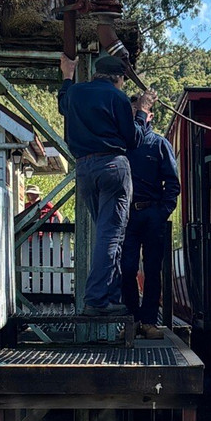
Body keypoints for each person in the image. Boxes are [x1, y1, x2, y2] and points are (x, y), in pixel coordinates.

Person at [58, 52, 156, 317]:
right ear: (119, 78)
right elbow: (134, 139)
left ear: (95, 73)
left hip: (84, 168)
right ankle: (97, 299)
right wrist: (143, 112)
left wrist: (67, 75)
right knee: (111, 235)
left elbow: (62, 104)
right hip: (112, 165)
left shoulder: (76, 93)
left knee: (107, 234)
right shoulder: (118, 98)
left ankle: (110, 296)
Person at [121, 92, 180, 340]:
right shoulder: (121, 144)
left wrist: (162, 211)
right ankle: (132, 320)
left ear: (149, 116)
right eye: (133, 113)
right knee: (127, 268)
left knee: (153, 270)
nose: (137, 117)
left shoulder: (159, 144)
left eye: (140, 113)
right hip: (127, 216)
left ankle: (149, 322)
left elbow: (173, 183)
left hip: (152, 213)